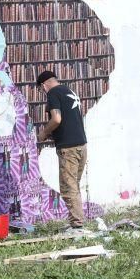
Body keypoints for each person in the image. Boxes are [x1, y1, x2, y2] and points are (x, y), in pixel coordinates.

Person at [35, 70, 88, 233]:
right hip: (81, 145)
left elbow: (57, 119)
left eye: (41, 89)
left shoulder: (53, 93)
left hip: (68, 148)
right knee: (74, 185)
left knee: (68, 186)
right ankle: (76, 221)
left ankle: (77, 225)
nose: (43, 92)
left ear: (44, 85)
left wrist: (43, 133)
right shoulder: (68, 91)